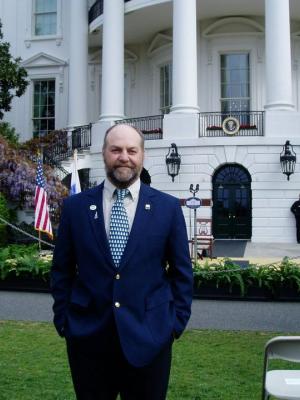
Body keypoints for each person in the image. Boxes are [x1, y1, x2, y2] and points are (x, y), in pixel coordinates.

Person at [51, 124, 193, 400]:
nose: (124, 157)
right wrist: (64, 320)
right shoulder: (75, 208)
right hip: (87, 340)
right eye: (116, 149)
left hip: (150, 339)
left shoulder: (167, 208)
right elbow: (61, 271)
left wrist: (174, 325)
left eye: (131, 150)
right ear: (103, 154)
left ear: (142, 156)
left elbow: (182, 273)